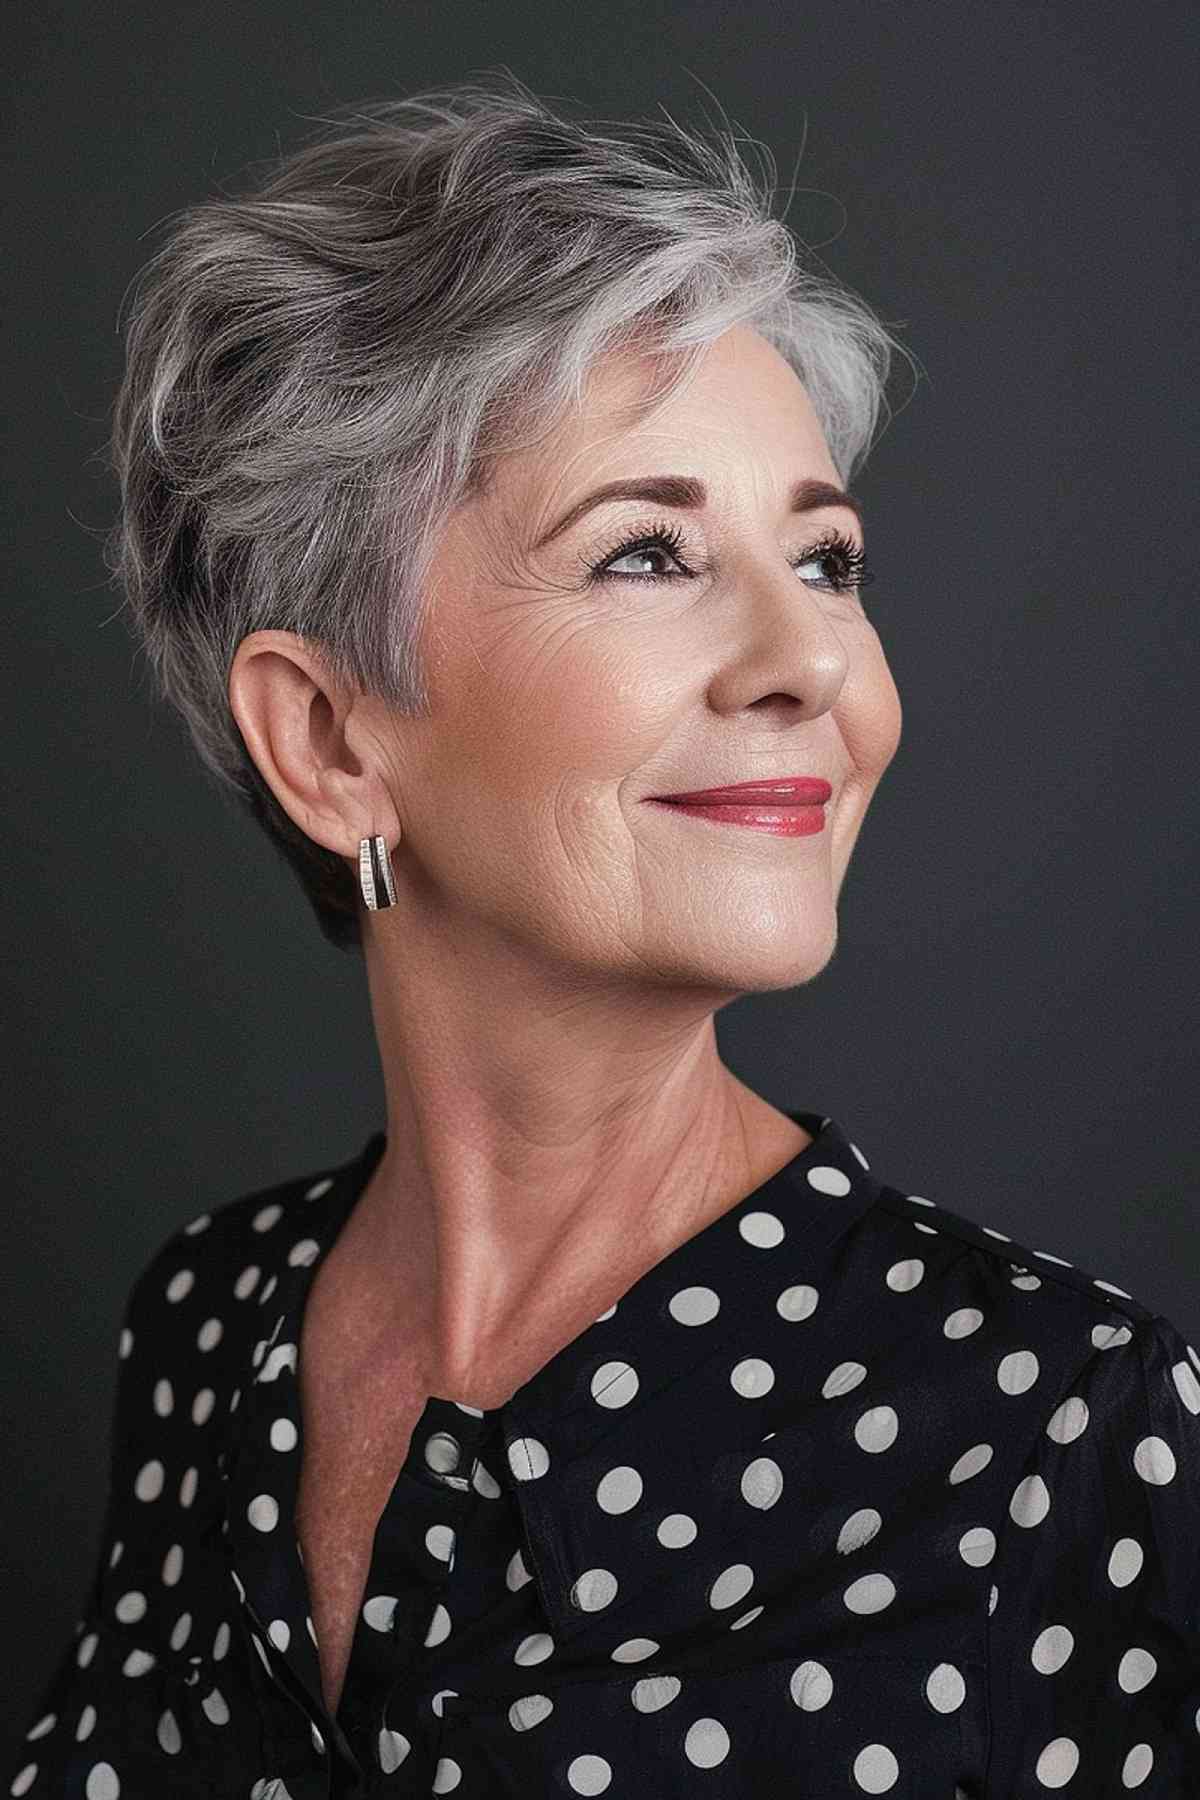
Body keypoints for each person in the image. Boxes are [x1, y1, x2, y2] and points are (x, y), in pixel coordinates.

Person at [8, 70, 1198, 1800]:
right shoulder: (208, 1328)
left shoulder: (1068, 1432)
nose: (811, 663)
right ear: (332, 742)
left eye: (832, 558)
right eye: (649, 553)